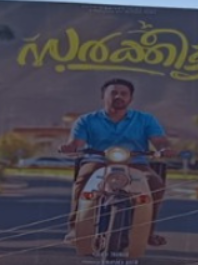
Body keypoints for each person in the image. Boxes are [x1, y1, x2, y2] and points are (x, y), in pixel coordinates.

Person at [59, 78, 171, 246]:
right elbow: (76, 143)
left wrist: (164, 148)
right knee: (84, 179)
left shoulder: (145, 119)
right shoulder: (86, 120)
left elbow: (160, 141)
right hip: (98, 161)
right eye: (114, 93)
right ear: (103, 96)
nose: (119, 96)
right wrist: (70, 147)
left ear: (130, 98)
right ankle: (76, 228)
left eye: (124, 93)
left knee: (154, 183)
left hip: (136, 163)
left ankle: (148, 232)